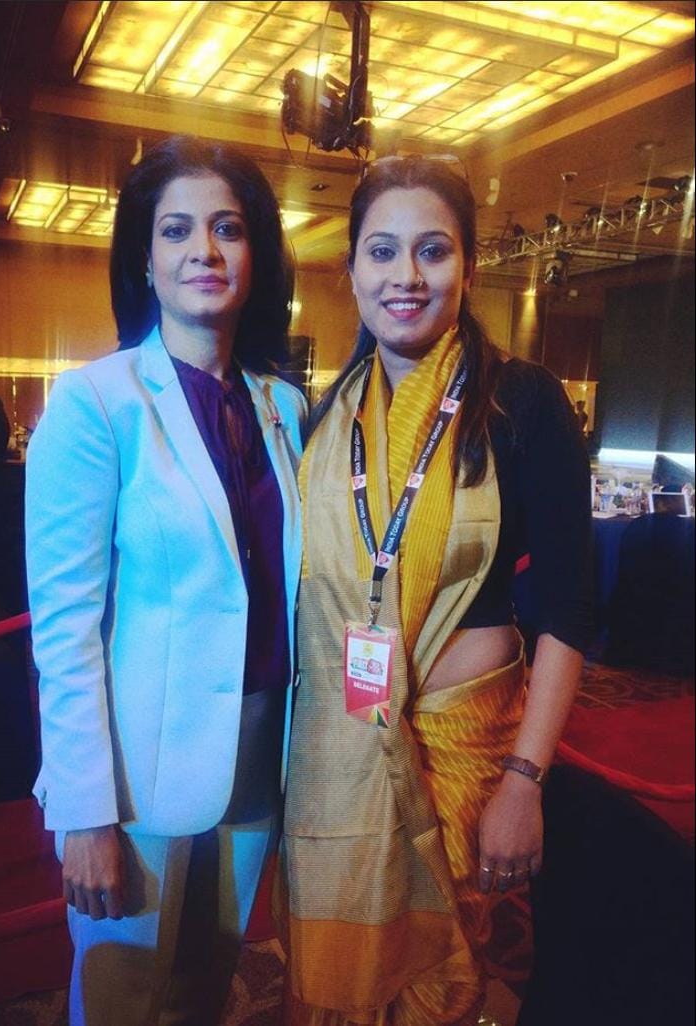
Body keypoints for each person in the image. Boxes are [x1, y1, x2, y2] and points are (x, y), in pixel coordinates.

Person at [278, 157, 593, 1025]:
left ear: (468, 267)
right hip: (342, 743)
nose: (405, 276)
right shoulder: (325, 419)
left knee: (438, 973)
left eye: (432, 250)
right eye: (381, 251)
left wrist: (524, 781)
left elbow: (570, 608)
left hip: (464, 750)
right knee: (341, 973)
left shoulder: (521, 402)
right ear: (350, 271)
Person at [25, 135, 307, 1026]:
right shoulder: (96, 402)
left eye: (228, 229)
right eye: (177, 230)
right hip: (137, 777)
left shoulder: (284, 406)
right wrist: (85, 812)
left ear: (256, 256)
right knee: (124, 1003)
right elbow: (64, 629)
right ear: (144, 261)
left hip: (259, 755)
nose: (204, 251)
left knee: (203, 993)